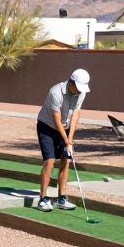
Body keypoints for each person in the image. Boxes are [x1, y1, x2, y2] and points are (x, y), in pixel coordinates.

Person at [36, 68, 90, 212]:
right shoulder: (56, 92)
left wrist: (70, 140)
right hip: (46, 127)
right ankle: (43, 198)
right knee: (50, 161)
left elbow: (76, 115)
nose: (79, 91)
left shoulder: (81, 93)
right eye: (77, 87)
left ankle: (61, 198)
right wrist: (66, 140)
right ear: (71, 82)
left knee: (66, 160)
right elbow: (57, 119)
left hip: (64, 128)